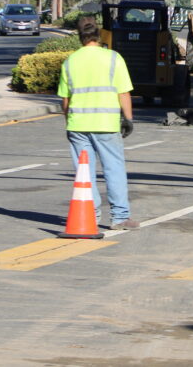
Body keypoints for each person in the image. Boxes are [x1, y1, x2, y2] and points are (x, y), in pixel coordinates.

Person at [57, 18, 139, 230]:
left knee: (84, 173)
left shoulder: (70, 61)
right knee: (114, 169)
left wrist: (69, 121)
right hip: (106, 124)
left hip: (78, 125)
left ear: (80, 36)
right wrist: (128, 119)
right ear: (99, 35)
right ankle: (120, 217)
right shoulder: (113, 58)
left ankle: (89, 215)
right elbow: (123, 92)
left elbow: (65, 99)